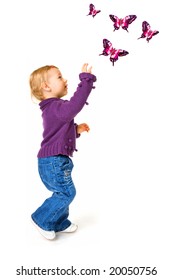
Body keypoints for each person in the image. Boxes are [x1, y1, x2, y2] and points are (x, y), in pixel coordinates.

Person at [29, 63, 96, 240]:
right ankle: (42, 218)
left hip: (55, 161)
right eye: (59, 77)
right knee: (66, 193)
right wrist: (86, 82)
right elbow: (75, 105)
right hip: (53, 162)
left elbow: (57, 133)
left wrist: (75, 131)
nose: (64, 79)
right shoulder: (55, 108)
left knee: (63, 192)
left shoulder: (53, 109)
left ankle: (58, 222)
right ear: (46, 86)